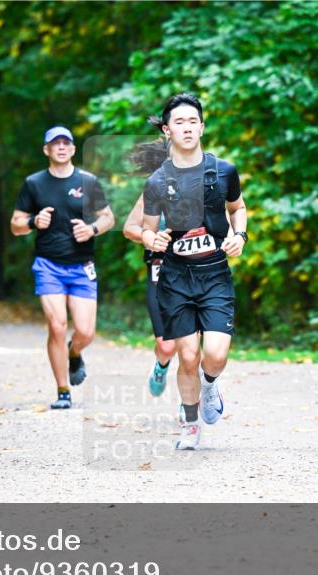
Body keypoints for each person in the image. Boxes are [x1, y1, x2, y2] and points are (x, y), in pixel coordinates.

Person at [140, 93, 248, 450]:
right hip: (175, 277)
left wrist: (240, 236)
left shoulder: (223, 171)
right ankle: (189, 424)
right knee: (187, 355)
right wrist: (150, 238)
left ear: (202, 126)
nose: (187, 128)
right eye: (179, 123)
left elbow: (238, 207)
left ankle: (210, 383)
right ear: (167, 131)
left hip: (215, 274)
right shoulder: (157, 181)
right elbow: (145, 228)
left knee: (214, 355)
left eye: (192, 121)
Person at [10, 126, 114, 409]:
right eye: (54, 143)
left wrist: (91, 229)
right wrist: (33, 222)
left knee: (85, 332)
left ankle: (74, 352)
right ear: (46, 150)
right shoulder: (34, 184)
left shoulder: (88, 181)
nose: (61, 147)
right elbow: (15, 224)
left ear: (72, 149)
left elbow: (108, 218)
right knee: (57, 326)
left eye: (66, 143)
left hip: (82, 266)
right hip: (49, 265)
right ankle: (63, 391)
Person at [123, 134, 176, 397]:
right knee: (167, 346)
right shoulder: (153, 189)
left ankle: (189, 405)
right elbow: (129, 228)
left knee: (192, 349)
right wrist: (150, 237)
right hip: (159, 272)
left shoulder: (203, 186)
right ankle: (161, 365)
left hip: (195, 273)